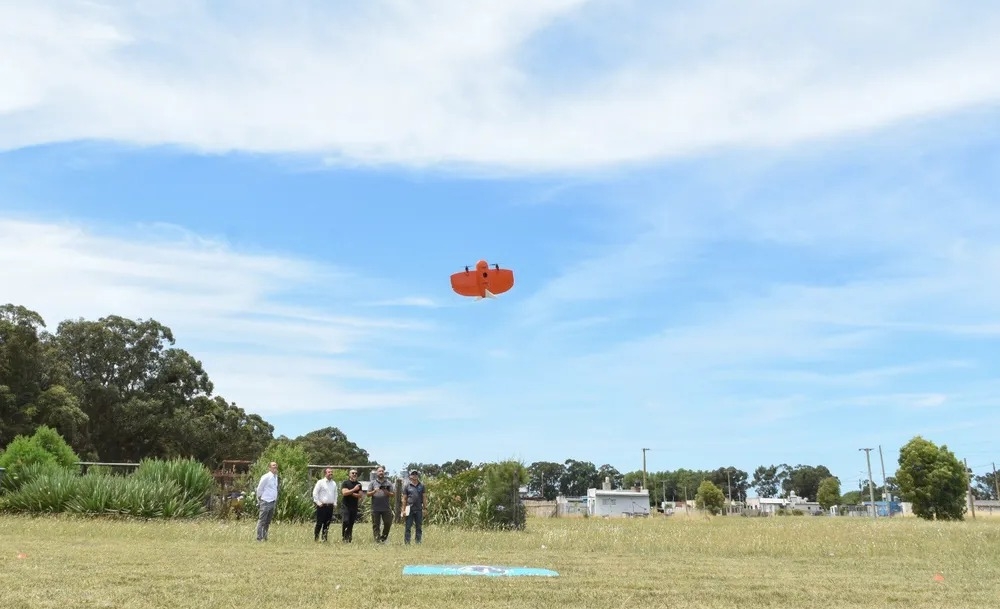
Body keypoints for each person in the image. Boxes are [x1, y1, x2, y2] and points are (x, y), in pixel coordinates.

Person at [367, 465, 394, 543]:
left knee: (388, 523)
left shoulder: (388, 483)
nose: (381, 472)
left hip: (386, 508)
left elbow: (393, 494)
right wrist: (374, 491)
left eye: (382, 471)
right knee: (376, 525)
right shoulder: (372, 483)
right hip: (375, 508)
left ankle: (383, 538)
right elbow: (368, 494)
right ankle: (377, 540)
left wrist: (387, 492)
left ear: (384, 473)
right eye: (379, 471)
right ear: (377, 473)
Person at [312, 468, 339, 542]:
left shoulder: (334, 483)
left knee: (327, 524)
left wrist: (335, 502)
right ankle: (316, 539)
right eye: (329, 472)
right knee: (319, 523)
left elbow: (335, 494)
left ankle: (324, 539)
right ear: (325, 473)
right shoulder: (320, 482)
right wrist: (318, 502)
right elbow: (315, 493)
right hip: (322, 506)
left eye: (331, 472)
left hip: (330, 506)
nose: (331, 473)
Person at [255, 461, 278, 542]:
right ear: (269, 468)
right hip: (265, 501)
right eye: (273, 466)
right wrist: (260, 498)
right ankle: (259, 537)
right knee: (262, 520)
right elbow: (260, 488)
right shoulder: (266, 477)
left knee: (268, 521)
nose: (275, 467)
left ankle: (265, 536)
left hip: (272, 501)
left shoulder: (276, 477)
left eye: (276, 466)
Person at [403, 469, 427, 545]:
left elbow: (424, 497)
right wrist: (403, 510)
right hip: (409, 509)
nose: (415, 475)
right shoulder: (407, 486)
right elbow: (404, 498)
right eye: (413, 474)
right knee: (408, 527)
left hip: (419, 509)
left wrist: (425, 508)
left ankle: (418, 542)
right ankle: (407, 543)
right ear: (410, 476)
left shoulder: (422, 485)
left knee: (419, 527)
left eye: (416, 474)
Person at [340, 469, 363, 542]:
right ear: (349, 474)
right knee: (346, 521)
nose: (354, 474)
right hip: (346, 506)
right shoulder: (345, 483)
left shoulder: (359, 484)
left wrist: (350, 492)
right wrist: (354, 490)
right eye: (352, 473)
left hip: (354, 506)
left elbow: (360, 495)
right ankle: (344, 537)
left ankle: (349, 538)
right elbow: (344, 493)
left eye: (356, 473)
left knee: (351, 523)